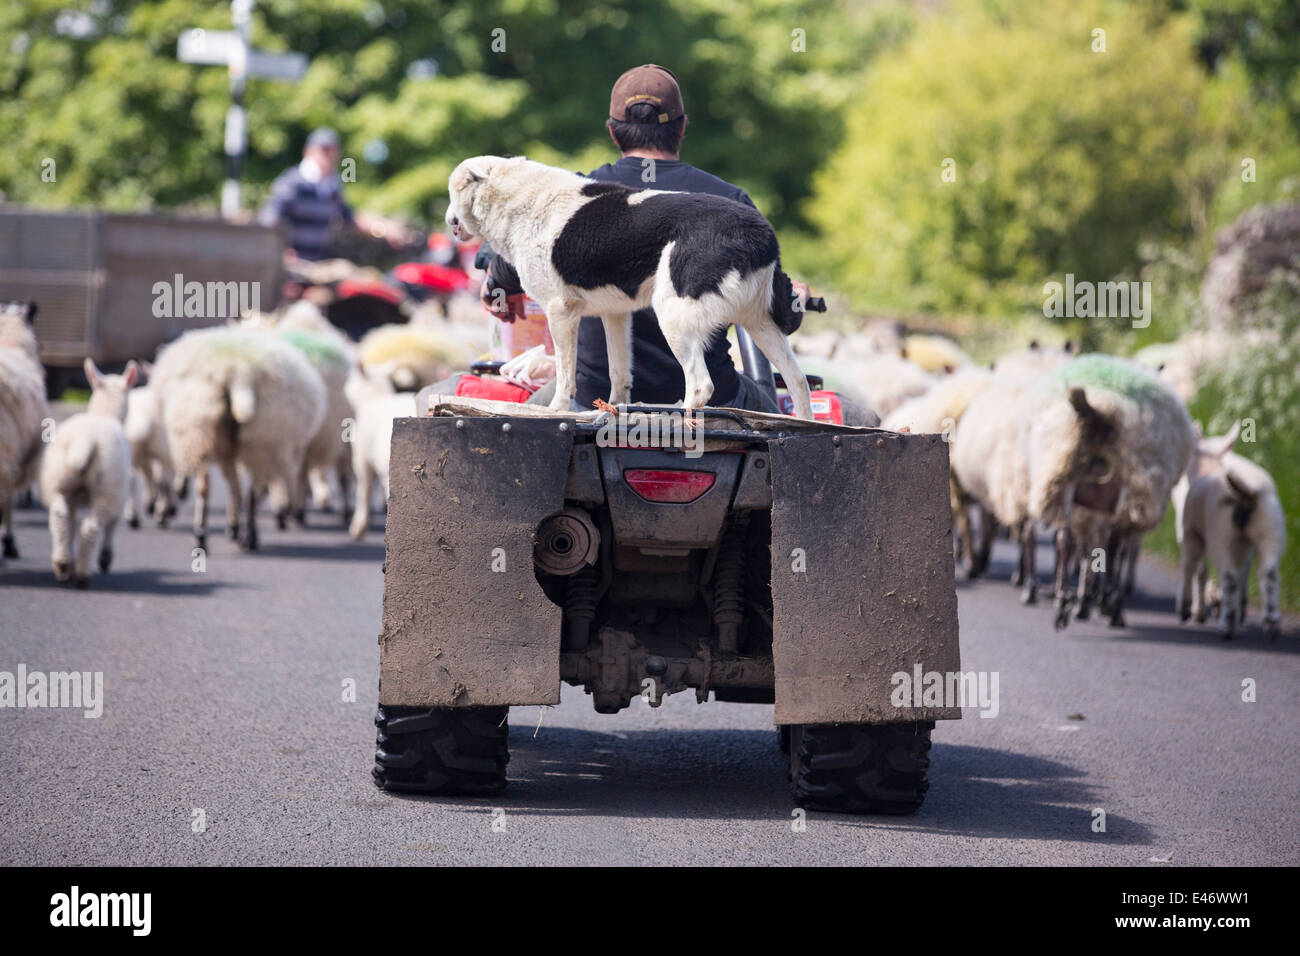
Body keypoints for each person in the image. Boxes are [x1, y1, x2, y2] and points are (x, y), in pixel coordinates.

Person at [481, 64, 810, 412]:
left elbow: (511, 254)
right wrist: (797, 297)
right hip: (716, 404)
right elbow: (783, 315)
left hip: (593, 400)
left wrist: (498, 285)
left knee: (530, 424)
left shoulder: (572, 202)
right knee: (778, 428)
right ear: (682, 127)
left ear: (613, 132)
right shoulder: (730, 207)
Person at [259, 127, 405, 261]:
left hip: (320, 262)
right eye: (324, 149)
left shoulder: (331, 186)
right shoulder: (292, 183)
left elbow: (350, 217)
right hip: (293, 264)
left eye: (333, 150)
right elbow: (269, 218)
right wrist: (281, 250)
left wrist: (384, 228)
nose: (329, 155)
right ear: (308, 152)